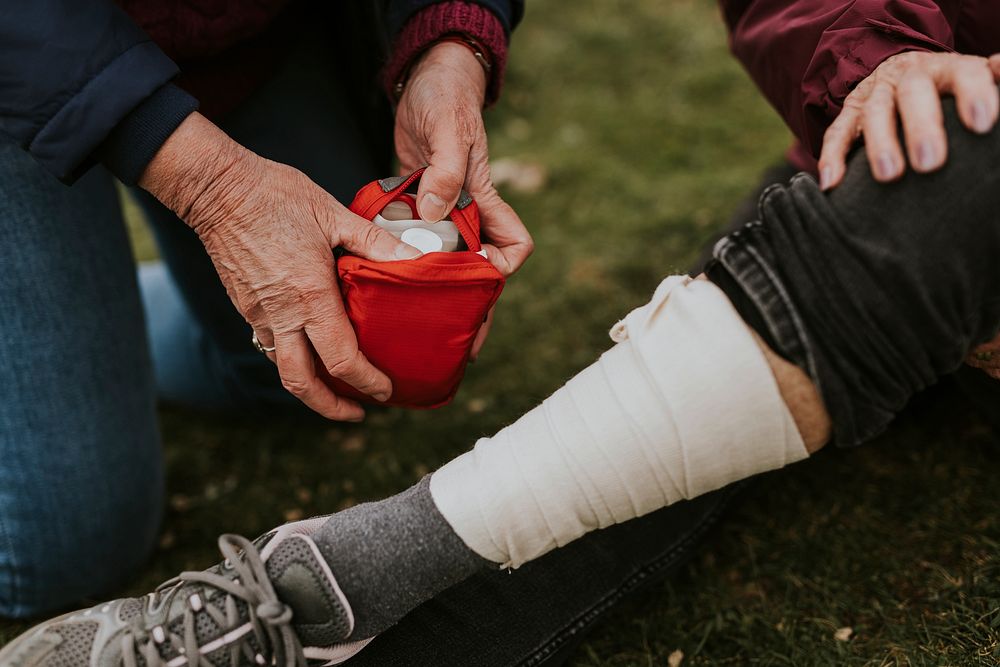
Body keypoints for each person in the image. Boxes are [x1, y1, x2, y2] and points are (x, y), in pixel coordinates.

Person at [4, 27, 1000, 662]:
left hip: (245, 33)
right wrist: (877, 60)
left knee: (278, 366)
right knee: (65, 539)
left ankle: (306, 574)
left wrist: (449, 39)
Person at [0, 0, 531, 619]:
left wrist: (450, 41)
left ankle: (95, 327)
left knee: (324, 362)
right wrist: (213, 187)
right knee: (62, 549)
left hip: (231, 33)